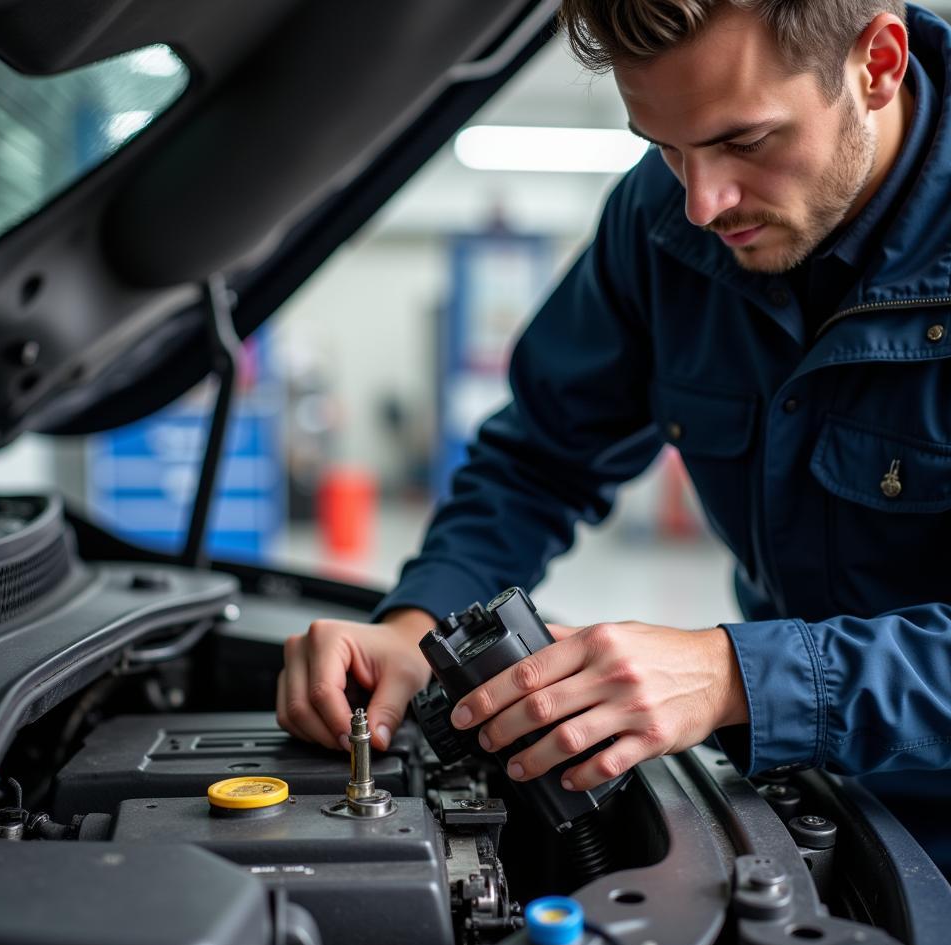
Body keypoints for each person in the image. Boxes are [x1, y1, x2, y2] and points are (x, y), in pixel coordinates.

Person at [279, 0, 951, 873]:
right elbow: (539, 458)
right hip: (823, 798)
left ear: (878, 63)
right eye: (664, 146)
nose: (704, 202)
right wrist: (418, 623)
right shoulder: (660, 217)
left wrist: (735, 676)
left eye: (744, 141)